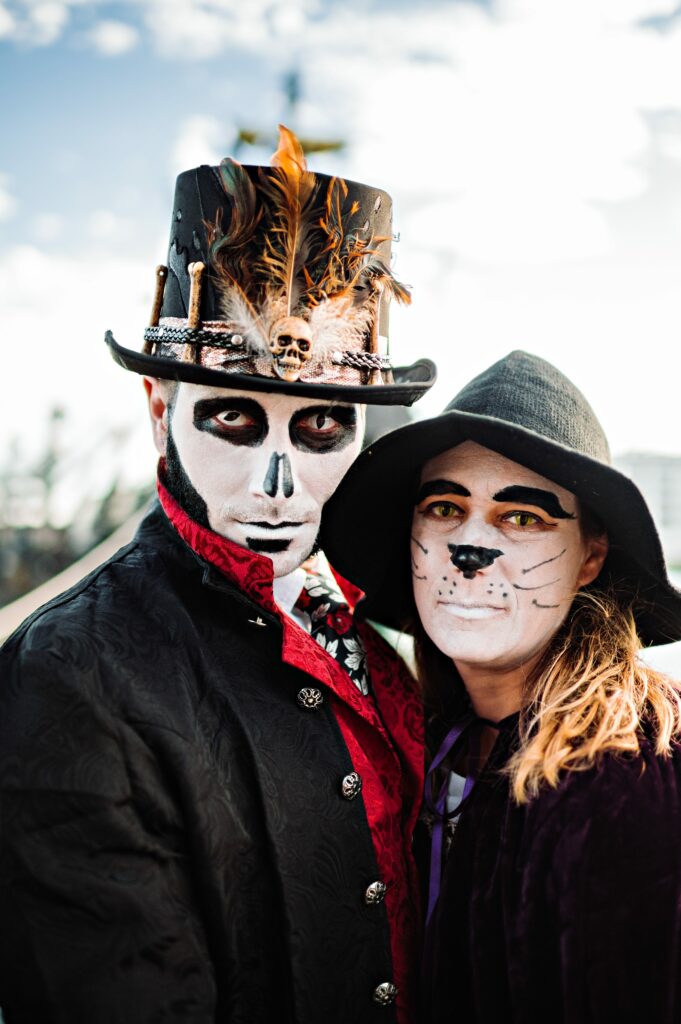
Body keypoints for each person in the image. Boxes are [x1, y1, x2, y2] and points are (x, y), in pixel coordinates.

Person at [0, 126, 437, 1024]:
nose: (278, 485)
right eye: (235, 418)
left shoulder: (366, 622)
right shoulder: (70, 674)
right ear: (159, 409)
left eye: (321, 428)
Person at [322, 349, 681, 1023]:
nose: (470, 548)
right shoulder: (422, 743)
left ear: (590, 557)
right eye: (443, 507)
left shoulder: (630, 769)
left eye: (522, 518)